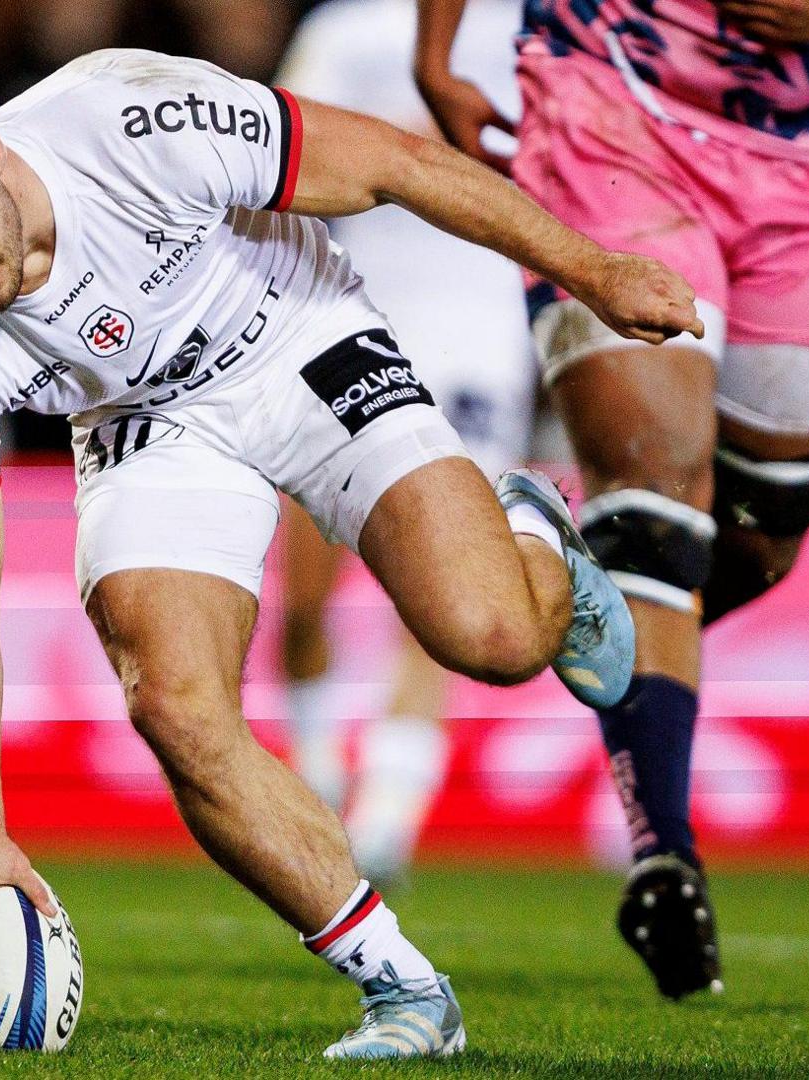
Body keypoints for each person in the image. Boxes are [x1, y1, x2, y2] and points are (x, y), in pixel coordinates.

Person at [0, 50, 699, 1058]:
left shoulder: (133, 122)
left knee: (489, 638)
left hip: (299, 341)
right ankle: (405, 993)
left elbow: (400, 164)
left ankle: (533, 536)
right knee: (172, 703)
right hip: (145, 420)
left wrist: (594, 272)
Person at [415, 0, 809, 1000]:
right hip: (611, 101)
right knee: (654, 491)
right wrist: (438, 50)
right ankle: (664, 859)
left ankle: (569, 573)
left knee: (767, 525)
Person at [272, 0, 536, 886]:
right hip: (356, 309)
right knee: (308, 587)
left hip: (484, 324)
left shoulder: (542, 28)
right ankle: (315, 778)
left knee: (447, 581)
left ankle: (386, 815)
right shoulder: (346, 32)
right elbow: (280, 161)